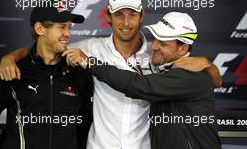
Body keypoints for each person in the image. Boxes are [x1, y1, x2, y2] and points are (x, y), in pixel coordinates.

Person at [0, 0, 221, 149]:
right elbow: (47, 46)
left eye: (132, 14)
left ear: (142, 15)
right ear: (107, 17)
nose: (126, 23)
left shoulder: (156, 55)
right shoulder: (89, 48)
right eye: (119, 15)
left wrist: (209, 66)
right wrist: (11, 57)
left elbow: (146, 84)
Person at [68, 12, 222, 149]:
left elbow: (138, 85)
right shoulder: (169, 69)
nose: (153, 46)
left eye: (163, 43)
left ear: (182, 49)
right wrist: (209, 65)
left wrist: (91, 63)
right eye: (155, 39)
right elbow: (216, 81)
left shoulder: (191, 77)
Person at [0, 0, 93, 149]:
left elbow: (86, 126)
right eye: (61, 27)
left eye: (69, 27)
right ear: (40, 29)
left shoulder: (79, 74)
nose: (68, 34)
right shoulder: (13, 70)